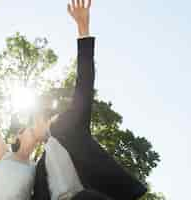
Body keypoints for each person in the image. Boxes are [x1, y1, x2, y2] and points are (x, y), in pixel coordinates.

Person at [32, 0, 147, 200]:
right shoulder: (40, 165)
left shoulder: (69, 125)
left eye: (33, 123)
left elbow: (84, 84)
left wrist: (83, 29)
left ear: (44, 119)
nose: (33, 129)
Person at [0, 88, 49, 200]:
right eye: (29, 129)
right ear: (19, 135)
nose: (32, 128)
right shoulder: (3, 154)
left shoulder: (36, 168)